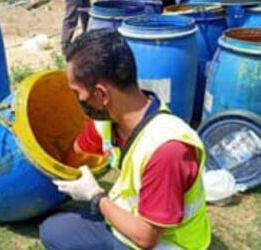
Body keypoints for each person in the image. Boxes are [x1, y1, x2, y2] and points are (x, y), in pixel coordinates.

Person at [40, 29, 211, 250]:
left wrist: (96, 197)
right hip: (133, 219)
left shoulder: (168, 150)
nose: (77, 100)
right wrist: (62, 178)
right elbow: (77, 151)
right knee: (54, 229)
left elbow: (146, 238)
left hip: (168, 242)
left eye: (77, 92)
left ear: (101, 94)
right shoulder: (110, 119)